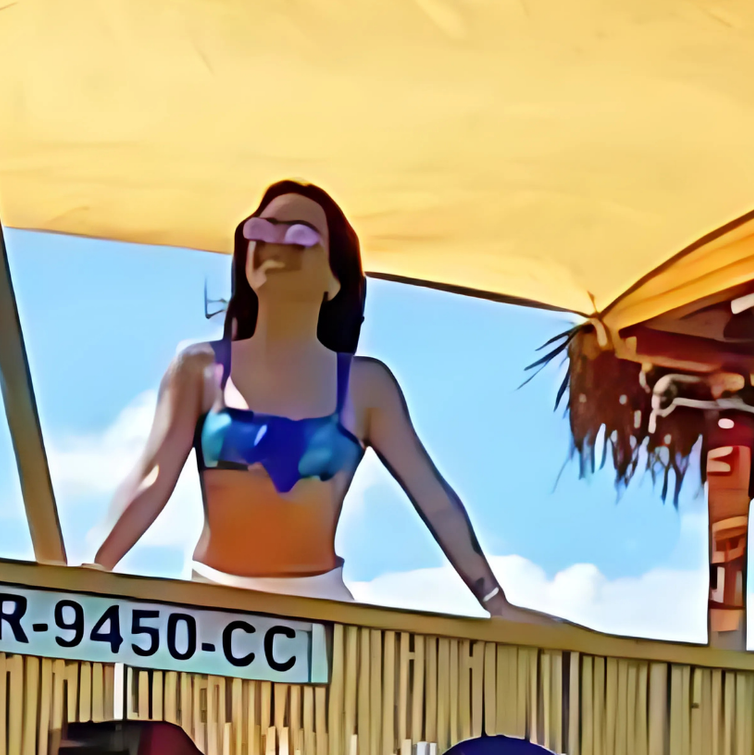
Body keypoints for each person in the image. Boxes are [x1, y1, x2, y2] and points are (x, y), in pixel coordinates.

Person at [91, 180, 562, 623]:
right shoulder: (199, 368)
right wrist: (93, 571)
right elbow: (152, 477)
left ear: (334, 278)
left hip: (320, 615)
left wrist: (495, 602)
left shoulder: (366, 385)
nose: (275, 243)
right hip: (208, 608)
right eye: (261, 230)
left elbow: (434, 498)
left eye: (300, 235)